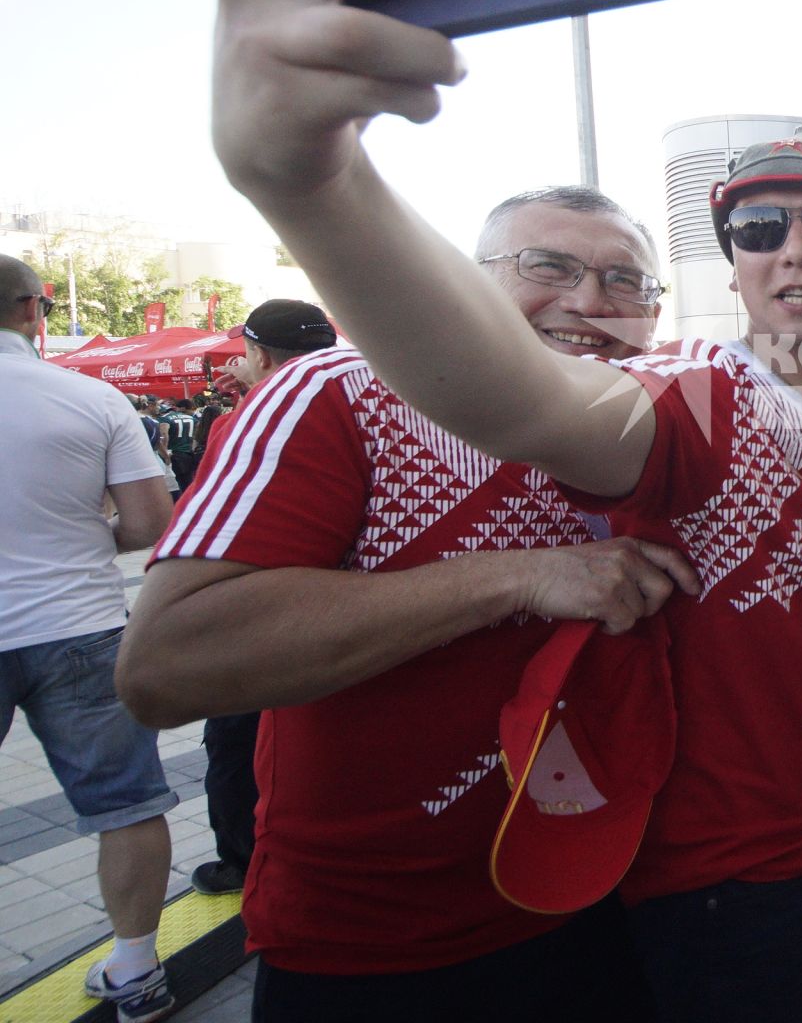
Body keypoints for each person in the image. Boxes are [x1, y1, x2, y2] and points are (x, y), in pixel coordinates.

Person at [206, 0, 802, 1013]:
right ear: (729, 268)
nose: (795, 247)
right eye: (760, 228)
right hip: (714, 889)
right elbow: (530, 400)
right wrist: (311, 184)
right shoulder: (695, 388)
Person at [120, 188, 685, 1020]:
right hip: (377, 945)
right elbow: (166, 665)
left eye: (625, 282)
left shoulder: (663, 422)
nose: (590, 301)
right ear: (467, 281)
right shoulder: (340, 391)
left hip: (607, 901)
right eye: (548, 267)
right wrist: (517, 576)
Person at [0, 255, 180, 1023]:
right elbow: (148, 525)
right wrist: (79, 537)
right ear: (37, 310)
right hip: (80, 623)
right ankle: (136, 969)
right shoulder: (90, 395)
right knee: (127, 803)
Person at [179, 299, 339, 900]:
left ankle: (243, 862)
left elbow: (203, 521)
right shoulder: (373, 405)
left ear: (260, 354)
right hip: (346, 604)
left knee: (236, 741)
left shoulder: (242, 422)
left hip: (261, 609)